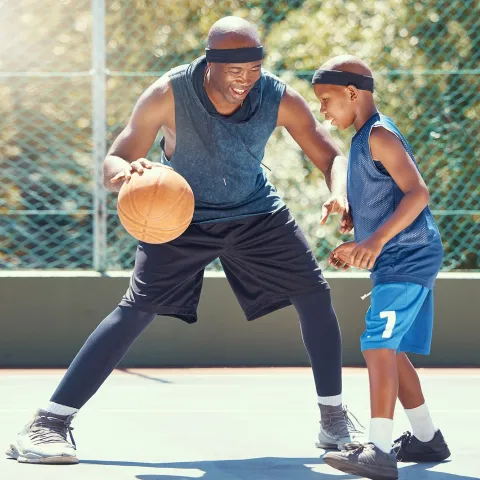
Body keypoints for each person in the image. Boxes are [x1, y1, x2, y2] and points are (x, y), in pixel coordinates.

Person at [6, 17, 361, 465]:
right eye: (236, 71)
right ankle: (47, 423)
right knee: (136, 311)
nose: (246, 81)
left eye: (253, 70)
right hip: (180, 216)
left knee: (314, 295)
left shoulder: (275, 96)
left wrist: (339, 190)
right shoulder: (167, 94)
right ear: (211, 63)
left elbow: (330, 154)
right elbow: (115, 159)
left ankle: (333, 420)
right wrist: (126, 175)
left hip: (255, 212)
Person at [312, 55, 451, 479]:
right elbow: (384, 195)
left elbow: (417, 194)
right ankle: (427, 438)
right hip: (397, 256)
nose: (323, 110)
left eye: (326, 100)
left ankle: (377, 448)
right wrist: (358, 224)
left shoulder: (379, 135)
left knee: (377, 345)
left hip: (408, 254)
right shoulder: (360, 142)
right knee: (391, 351)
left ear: (353, 93)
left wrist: (374, 240)